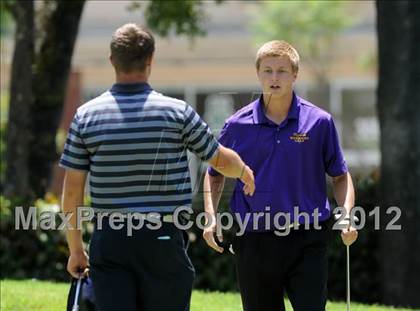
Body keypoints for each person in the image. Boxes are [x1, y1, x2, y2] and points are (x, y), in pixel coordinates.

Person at [59, 23, 255, 311]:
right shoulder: (177, 112)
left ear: (112, 60)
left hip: (111, 240)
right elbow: (219, 159)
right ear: (150, 61)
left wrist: (76, 249)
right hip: (163, 237)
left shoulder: (86, 116)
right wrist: (243, 170)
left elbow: (72, 190)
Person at [203, 40, 358, 311]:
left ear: (295, 75)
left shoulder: (319, 122)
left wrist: (346, 215)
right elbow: (214, 174)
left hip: (307, 238)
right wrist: (211, 216)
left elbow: (341, 175)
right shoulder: (236, 125)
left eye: (282, 71)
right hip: (253, 238)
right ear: (258, 74)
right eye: (268, 70)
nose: (274, 78)